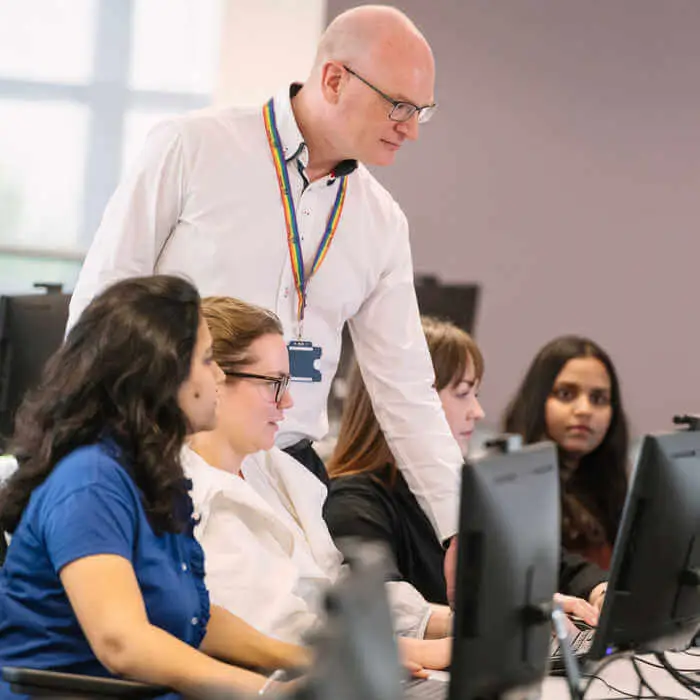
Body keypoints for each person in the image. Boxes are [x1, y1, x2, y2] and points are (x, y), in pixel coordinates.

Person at [65, 5, 464, 565]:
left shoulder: (381, 220)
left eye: (423, 110)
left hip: (290, 473)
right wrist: (86, 467)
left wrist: (458, 529)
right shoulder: (192, 148)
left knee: (331, 629)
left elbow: (406, 388)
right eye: (399, 105)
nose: (412, 128)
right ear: (334, 79)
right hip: (170, 461)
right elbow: (98, 314)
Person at [0, 276, 307, 700]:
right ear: (163, 372)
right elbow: (122, 643)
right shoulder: (91, 482)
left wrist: (303, 660)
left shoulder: (154, 476)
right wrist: (267, 693)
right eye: (207, 360)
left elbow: (194, 619)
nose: (218, 375)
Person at [183, 296, 451, 673]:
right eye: (275, 384)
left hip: (337, 669)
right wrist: (415, 651)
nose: (288, 401)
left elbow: (337, 589)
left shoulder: (271, 468)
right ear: (213, 381)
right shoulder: (190, 497)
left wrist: (453, 624)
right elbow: (275, 629)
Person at [324, 318, 608, 623]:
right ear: (410, 403)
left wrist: (601, 592)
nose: (478, 412)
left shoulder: (463, 493)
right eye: (462, 393)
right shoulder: (353, 501)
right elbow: (381, 609)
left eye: (477, 394)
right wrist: (505, 623)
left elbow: (550, 563)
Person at [503, 335, 629, 571]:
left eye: (598, 399)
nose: (584, 410)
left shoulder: (610, 491)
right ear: (537, 401)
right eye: (565, 394)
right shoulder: (510, 488)